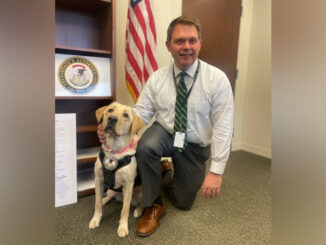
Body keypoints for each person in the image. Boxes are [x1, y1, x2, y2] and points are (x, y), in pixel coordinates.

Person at [98, 16, 234, 237]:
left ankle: (164, 173)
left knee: (184, 202)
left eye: (192, 40)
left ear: (200, 43)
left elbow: (223, 126)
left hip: (195, 143)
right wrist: (111, 128)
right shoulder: (157, 78)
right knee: (146, 147)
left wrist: (216, 171)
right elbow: (140, 114)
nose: (186, 47)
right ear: (168, 45)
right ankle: (153, 204)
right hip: (165, 132)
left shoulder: (217, 80)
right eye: (179, 41)